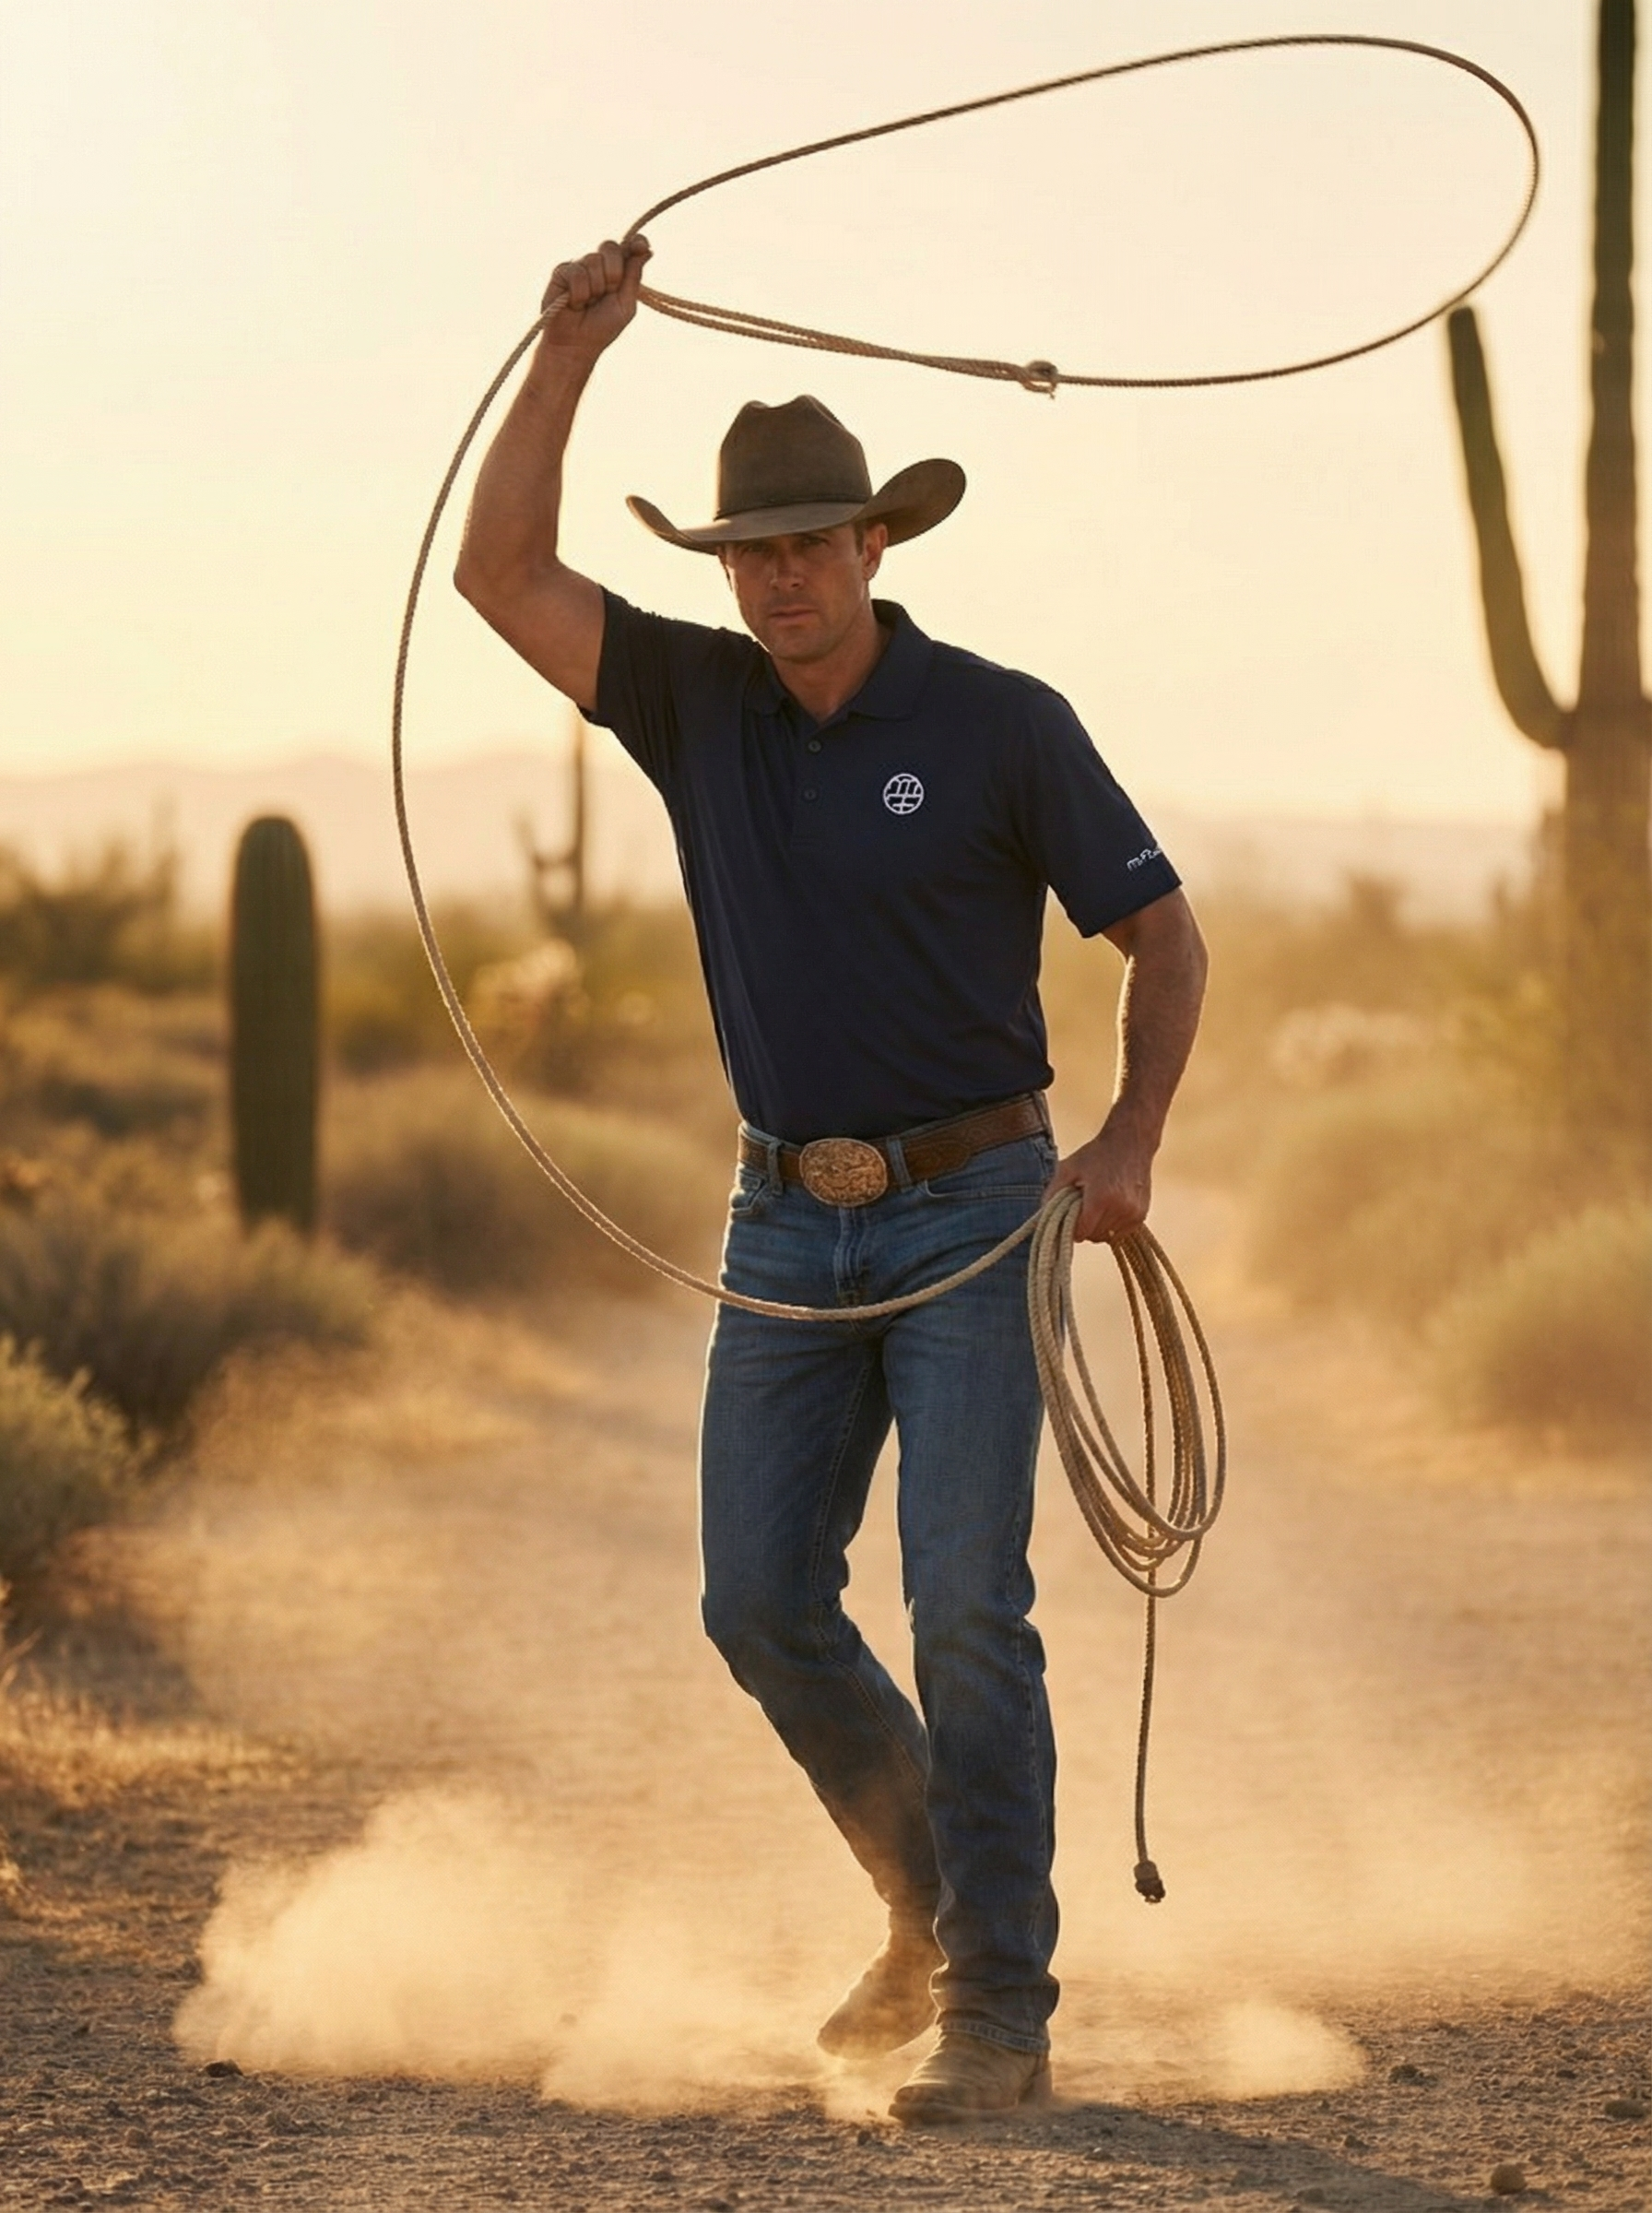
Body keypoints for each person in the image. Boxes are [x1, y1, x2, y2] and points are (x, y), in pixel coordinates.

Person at [454, 237, 1208, 2123]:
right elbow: (497, 576)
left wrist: (1121, 1147)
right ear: (723, 567)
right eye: (747, 551)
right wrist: (566, 353)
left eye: (808, 542)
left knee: (963, 1599)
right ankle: (927, 1902)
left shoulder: (1000, 724)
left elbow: (1162, 941)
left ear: (876, 544)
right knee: (757, 1603)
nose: (778, 578)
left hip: (976, 1210)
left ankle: (1001, 2015)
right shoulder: (694, 704)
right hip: (783, 1216)